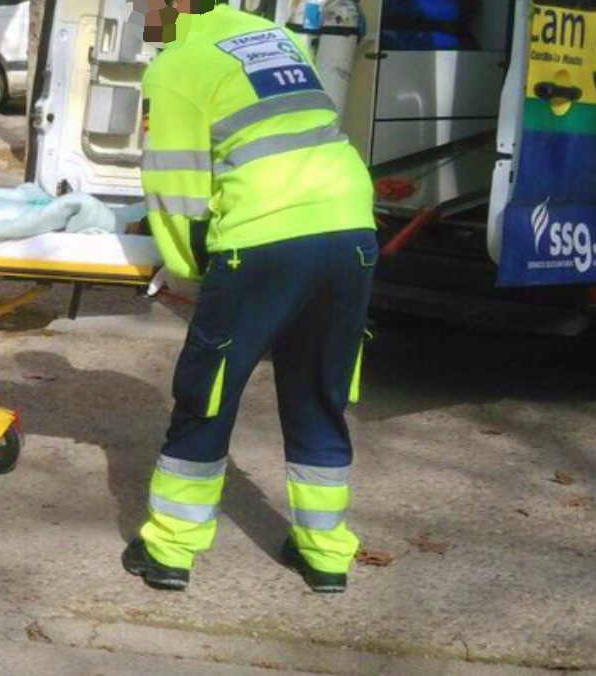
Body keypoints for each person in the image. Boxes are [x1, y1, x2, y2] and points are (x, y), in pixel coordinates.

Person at [122, 0, 378, 594]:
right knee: (318, 395)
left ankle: (169, 549)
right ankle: (326, 555)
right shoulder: (272, 37)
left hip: (262, 239)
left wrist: (189, 270)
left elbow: (178, 192)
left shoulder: (177, 65)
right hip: (350, 229)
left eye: (143, 7)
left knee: (206, 394)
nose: (139, 18)